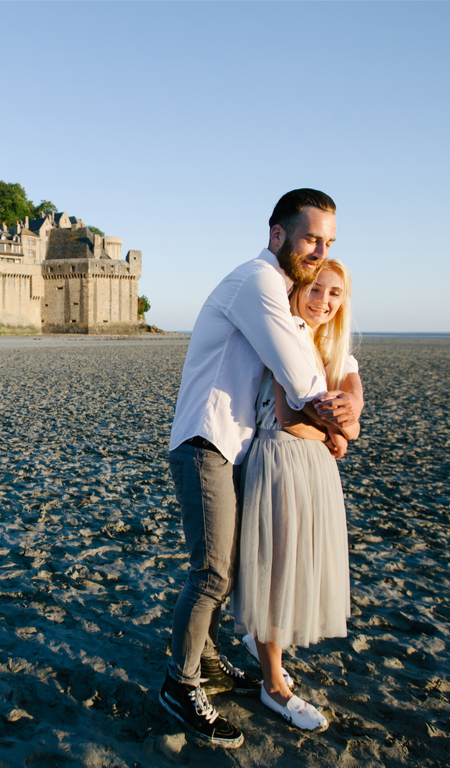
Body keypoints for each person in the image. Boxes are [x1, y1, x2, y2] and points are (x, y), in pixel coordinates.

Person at [159, 190, 363, 749]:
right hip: (206, 440)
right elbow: (300, 379)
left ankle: (211, 661)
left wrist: (349, 409)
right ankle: (180, 685)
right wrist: (338, 422)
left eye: (329, 243)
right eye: (311, 238)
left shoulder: (280, 289)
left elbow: (318, 366)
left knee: (227, 567)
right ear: (278, 236)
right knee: (212, 573)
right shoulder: (260, 283)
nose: (320, 250)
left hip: (232, 445)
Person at [233, 259, 360, 733]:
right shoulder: (286, 333)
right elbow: (288, 416)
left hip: (312, 466)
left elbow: (351, 396)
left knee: (294, 564)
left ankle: (264, 648)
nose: (324, 301)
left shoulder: (326, 342)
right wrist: (337, 433)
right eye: (316, 289)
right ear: (298, 288)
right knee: (276, 569)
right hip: (283, 459)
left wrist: (350, 419)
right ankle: (272, 685)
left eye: (335, 294)